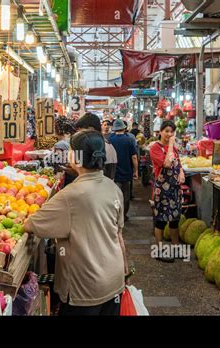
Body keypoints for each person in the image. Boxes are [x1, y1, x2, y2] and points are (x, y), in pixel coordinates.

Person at [24, 130, 128, 315]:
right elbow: (118, 236)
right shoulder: (113, 188)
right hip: (114, 281)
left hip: (85, 289)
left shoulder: (70, 195)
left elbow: (32, 225)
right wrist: (125, 271)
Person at [149, 120, 185, 262]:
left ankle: (175, 248)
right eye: (166, 131)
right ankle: (159, 250)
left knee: (175, 220)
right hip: (162, 190)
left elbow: (178, 163)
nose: (169, 134)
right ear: (160, 132)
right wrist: (170, 144)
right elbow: (166, 163)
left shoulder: (174, 149)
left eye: (172, 131)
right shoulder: (155, 148)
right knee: (161, 220)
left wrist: (181, 173)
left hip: (175, 189)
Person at [109, 119, 138, 221]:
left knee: (116, 196)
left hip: (114, 173)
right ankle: (124, 215)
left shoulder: (110, 139)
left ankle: (116, 216)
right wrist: (136, 171)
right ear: (124, 128)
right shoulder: (129, 139)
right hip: (127, 173)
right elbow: (134, 157)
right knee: (125, 196)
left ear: (114, 129)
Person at [75, 113, 118, 180]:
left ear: (90, 129)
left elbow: (106, 176)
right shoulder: (101, 145)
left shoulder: (105, 147)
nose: (78, 134)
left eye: (81, 131)